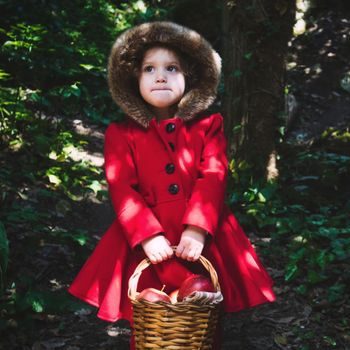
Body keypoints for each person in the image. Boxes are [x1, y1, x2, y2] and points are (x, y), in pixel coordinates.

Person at [68, 21, 276, 349]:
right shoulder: (121, 134)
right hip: (148, 242)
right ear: (133, 79)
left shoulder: (208, 126)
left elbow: (214, 175)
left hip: (203, 237)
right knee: (149, 313)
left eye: (172, 67)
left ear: (190, 77)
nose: (160, 76)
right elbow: (122, 186)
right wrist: (146, 235)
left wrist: (198, 228)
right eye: (149, 68)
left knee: (204, 310)